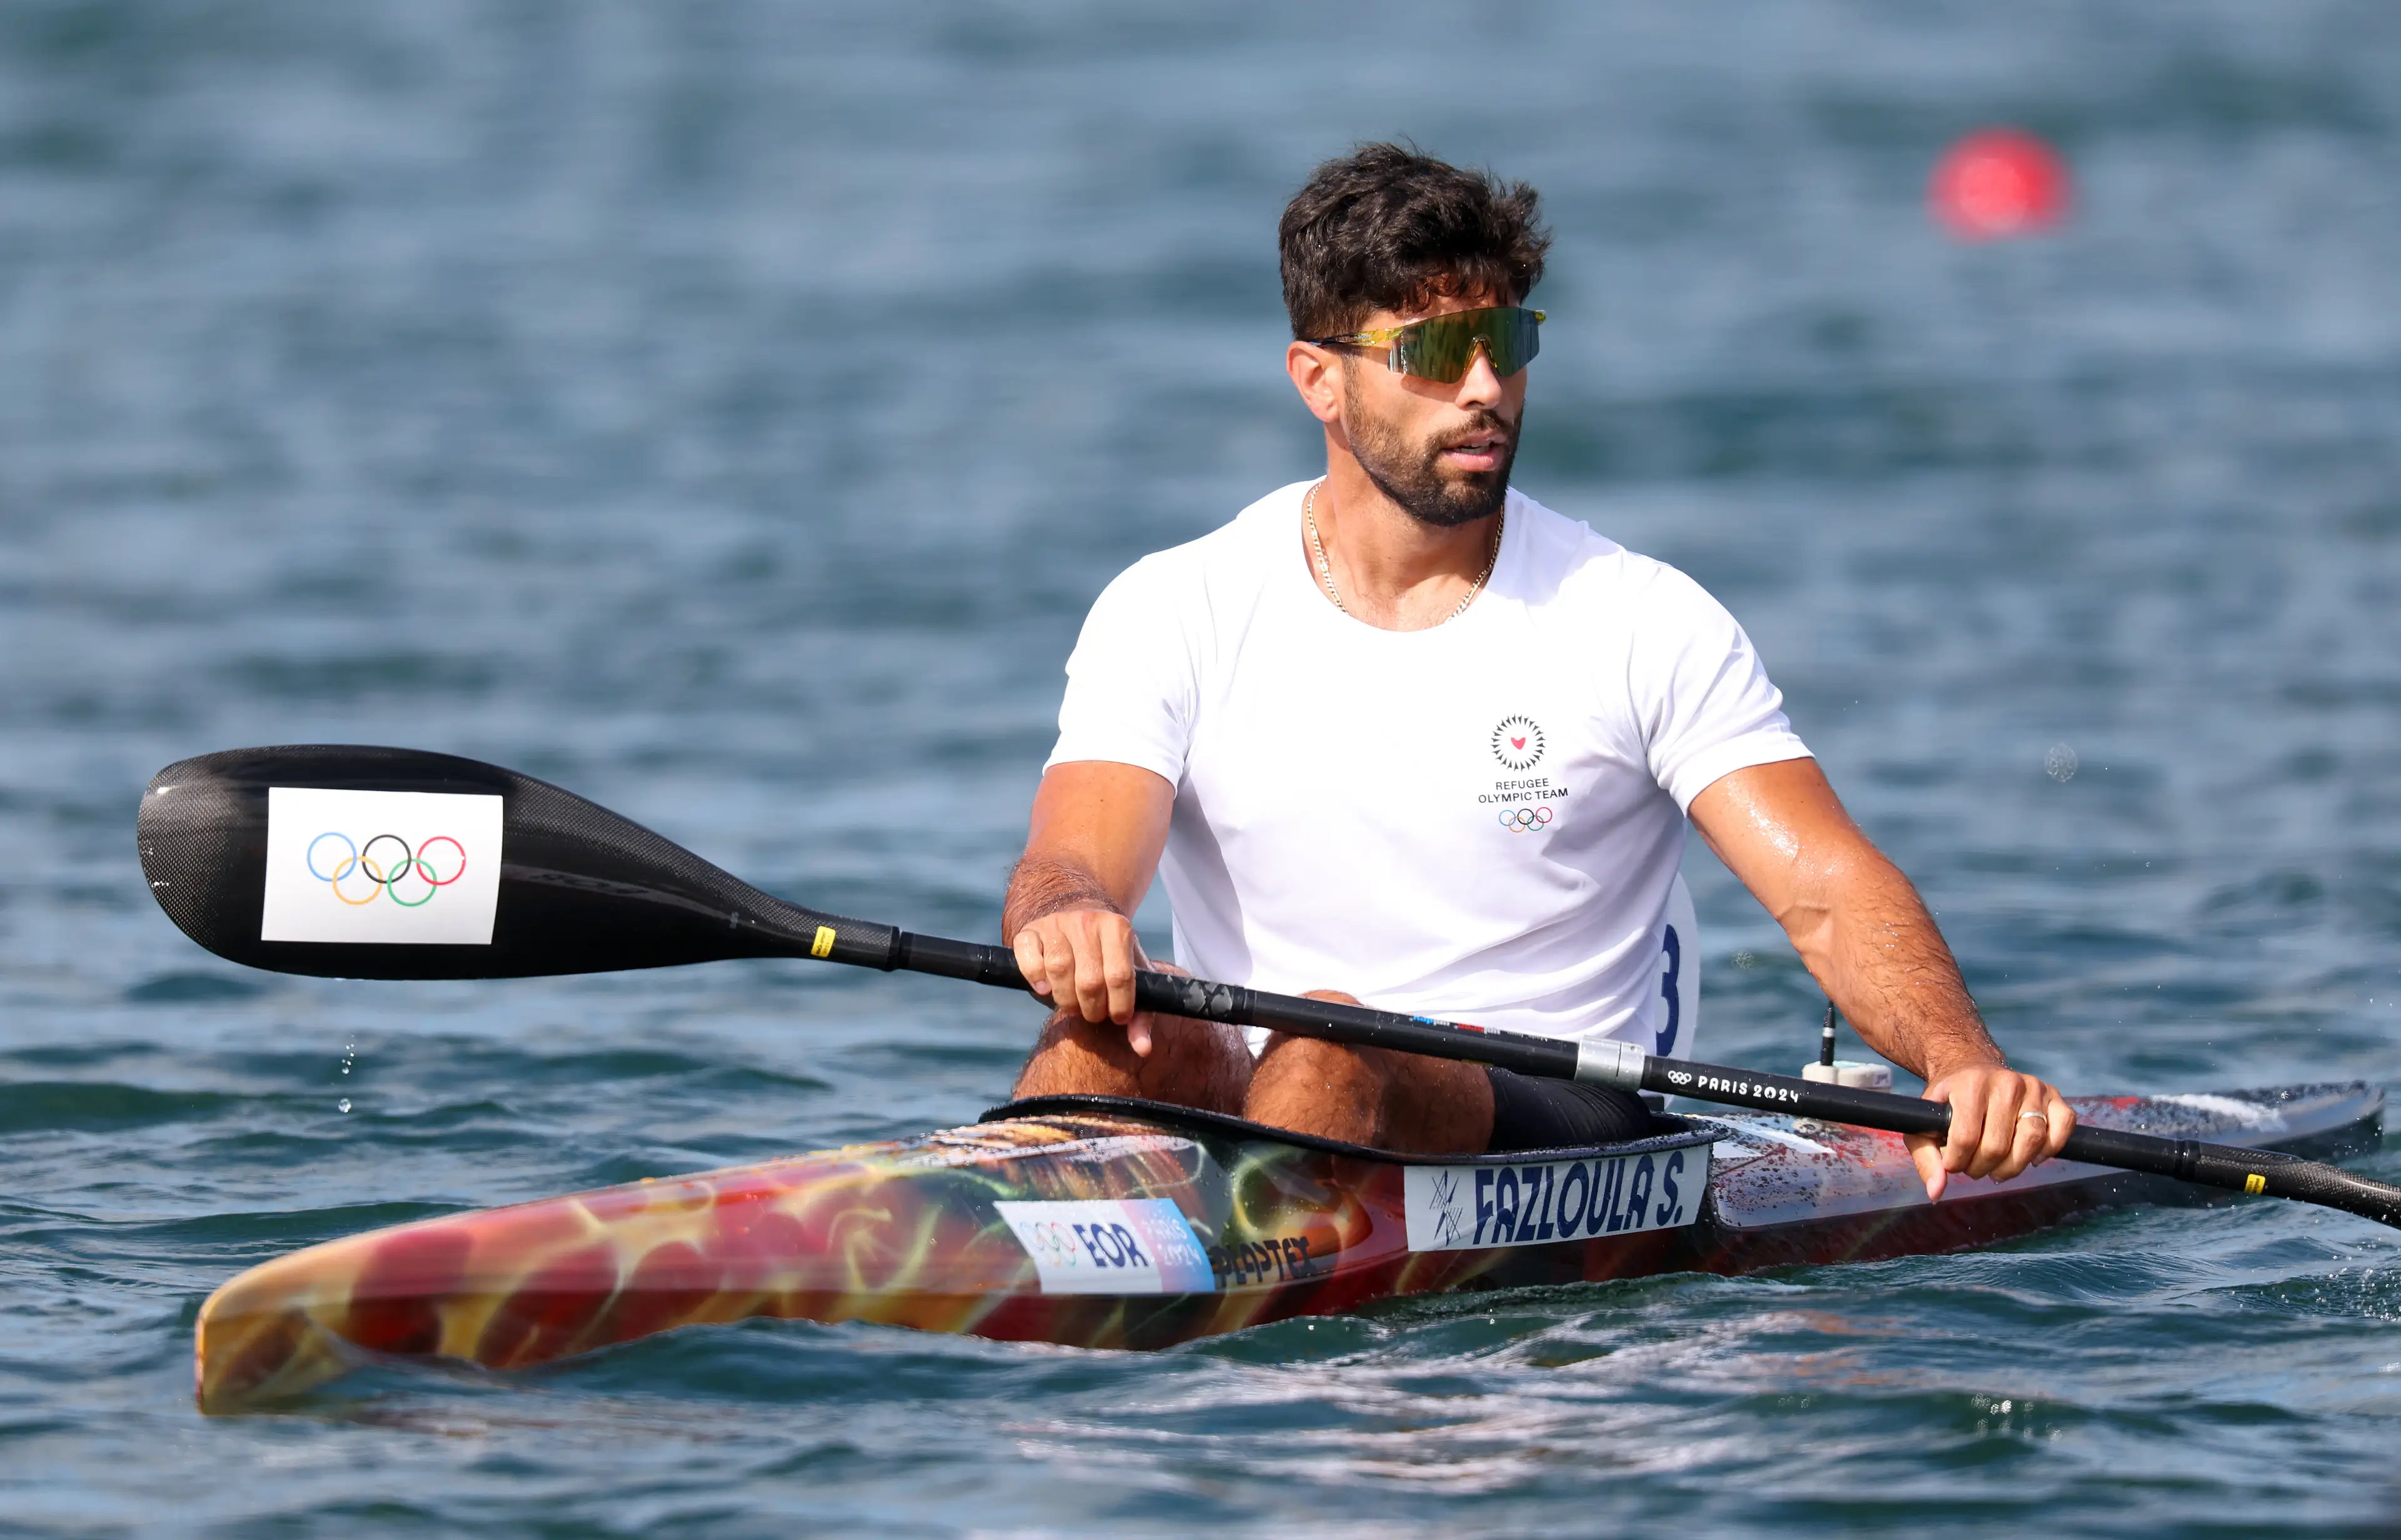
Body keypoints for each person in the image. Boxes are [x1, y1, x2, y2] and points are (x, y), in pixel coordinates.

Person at [1002, 143, 2073, 1200]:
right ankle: (1009, 1252)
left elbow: (1826, 893)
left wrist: (1956, 1057)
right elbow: (1072, 863)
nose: (1486, 388)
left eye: (1508, 341)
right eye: (1437, 350)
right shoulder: (1174, 606)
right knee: (1110, 1033)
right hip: (1269, 1073)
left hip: (1563, 1109)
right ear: (1318, 381)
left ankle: (1261, 1284)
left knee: (1330, 1041)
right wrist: (1069, 916)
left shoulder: (1635, 617)